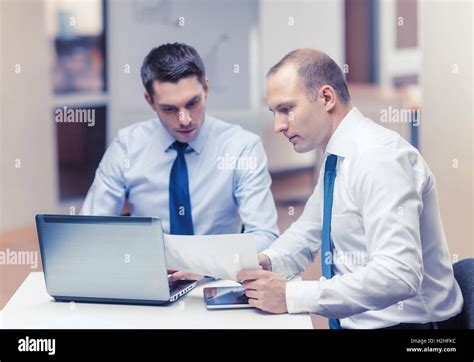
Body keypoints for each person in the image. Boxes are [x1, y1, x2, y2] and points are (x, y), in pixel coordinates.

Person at [238, 48, 463, 329]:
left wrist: (290, 295)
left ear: (326, 98)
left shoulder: (378, 158)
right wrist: (264, 262)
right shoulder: (337, 157)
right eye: (274, 112)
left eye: (286, 109)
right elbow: (307, 232)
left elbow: (399, 274)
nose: (278, 126)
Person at [81, 43, 279, 281]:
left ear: (206, 89)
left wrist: (208, 265)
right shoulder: (127, 146)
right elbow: (88, 230)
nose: (185, 120)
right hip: (149, 277)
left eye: (192, 103)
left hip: (218, 279)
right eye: (169, 109)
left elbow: (266, 235)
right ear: (150, 101)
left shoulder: (242, 147)